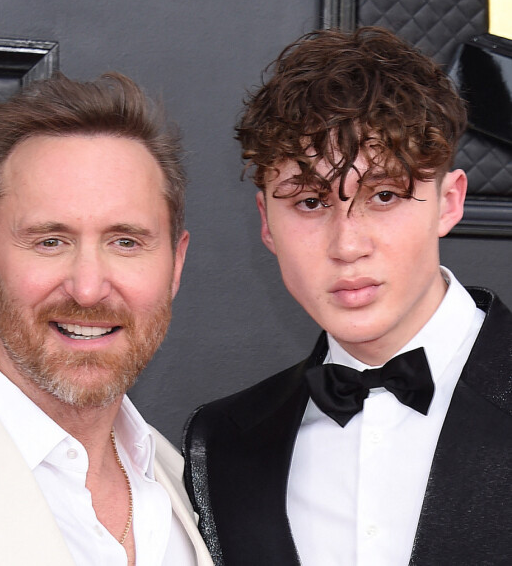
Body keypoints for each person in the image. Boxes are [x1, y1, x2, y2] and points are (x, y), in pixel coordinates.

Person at [183, 27, 512, 565]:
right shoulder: (222, 442)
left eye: (384, 195)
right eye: (310, 203)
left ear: (448, 203)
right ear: (267, 222)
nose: (348, 245)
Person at [0, 72, 213, 565]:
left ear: (176, 265)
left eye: (126, 242)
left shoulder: (188, 486)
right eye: (50, 241)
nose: (87, 289)